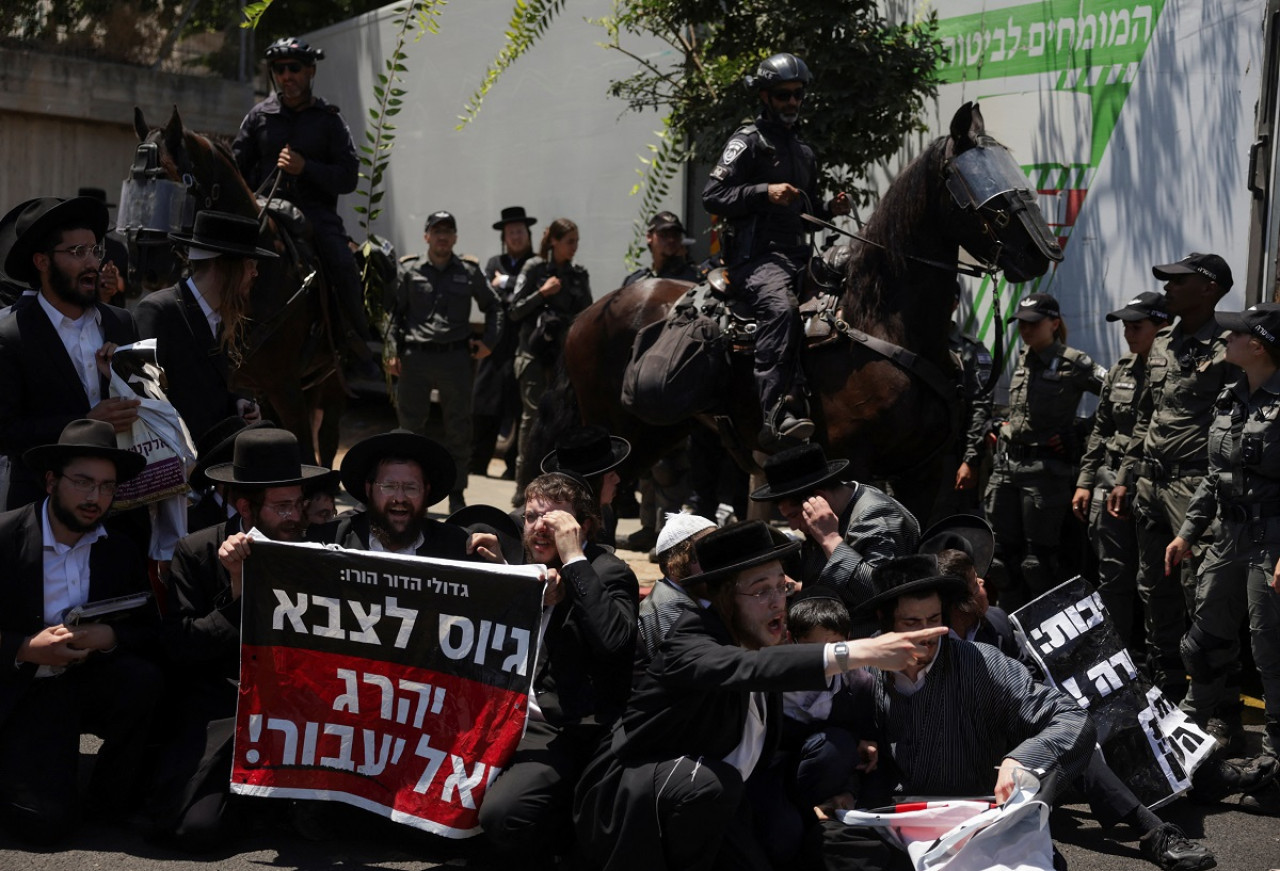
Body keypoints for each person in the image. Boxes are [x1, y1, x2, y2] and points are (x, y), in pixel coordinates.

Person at [572, 520, 947, 871]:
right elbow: (747, 668)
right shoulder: (691, 639)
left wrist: (850, 764)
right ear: (723, 597)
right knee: (712, 787)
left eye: (781, 587)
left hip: (725, 803)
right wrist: (860, 652)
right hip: (638, 804)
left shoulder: (761, 641)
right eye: (760, 590)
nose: (777, 602)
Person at [155, 425, 328, 847]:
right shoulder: (196, 552)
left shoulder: (322, 547)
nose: (295, 516)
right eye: (282, 506)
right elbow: (182, 648)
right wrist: (237, 592)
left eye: (299, 503)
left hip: (308, 709)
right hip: (225, 708)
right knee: (196, 830)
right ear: (245, 508)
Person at [0, 419, 160, 844]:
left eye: (107, 487)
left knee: (143, 681)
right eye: (84, 482)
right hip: (22, 688)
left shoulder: (119, 547)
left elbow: (148, 627)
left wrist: (110, 637)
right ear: (51, 480)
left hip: (85, 680)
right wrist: (25, 648)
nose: (96, 498)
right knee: (44, 826)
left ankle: (110, 799)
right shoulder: (5, 537)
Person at [477, 470, 638, 868]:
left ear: (582, 526)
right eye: (531, 517)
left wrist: (574, 560)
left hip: (559, 729)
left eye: (555, 520)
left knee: (503, 814)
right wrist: (506, 580)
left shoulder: (607, 571)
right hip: (500, 714)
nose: (540, 528)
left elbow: (615, 643)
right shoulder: (524, 568)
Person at [859, 554, 1095, 812]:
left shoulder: (980, 663)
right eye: (911, 623)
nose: (926, 634)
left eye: (934, 620)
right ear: (885, 621)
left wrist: (1021, 761)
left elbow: (1072, 719)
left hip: (970, 823)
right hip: (883, 821)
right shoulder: (862, 669)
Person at [702, 51, 852, 447]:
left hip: (798, 255)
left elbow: (805, 209)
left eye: (798, 94)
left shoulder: (804, 152)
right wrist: (762, 191)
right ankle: (774, 413)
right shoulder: (747, 141)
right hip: (754, 259)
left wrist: (828, 209)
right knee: (781, 309)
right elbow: (712, 195)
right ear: (765, 97)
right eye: (783, 94)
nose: (792, 102)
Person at [1110, 254, 1236, 718]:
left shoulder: (1229, 346)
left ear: (1209, 288)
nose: (1167, 289)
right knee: (1152, 589)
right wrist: (1127, 475)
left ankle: (1215, 705)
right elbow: (1147, 414)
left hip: (1195, 487)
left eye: (1178, 282)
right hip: (1151, 487)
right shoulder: (1162, 341)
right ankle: (1164, 688)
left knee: (1199, 593)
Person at [1164, 303, 1280, 804]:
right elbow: (1216, 476)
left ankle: (1276, 768)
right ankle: (1191, 749)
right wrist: (1189, 532)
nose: (1224, 340)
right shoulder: (1232, 395)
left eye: (1233, 335)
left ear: (1257, 344)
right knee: (1202, 645)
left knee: (1270, 655)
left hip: (1270, 544)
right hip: (1228, 540)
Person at [231, 36, 372, 364]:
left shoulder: (330, 120)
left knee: (342, 262)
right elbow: (237, 169)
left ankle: (357, 342)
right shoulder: (257, 116)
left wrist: (305, 168)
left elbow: (348, 177)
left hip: (315, 215)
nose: (286, 76)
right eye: (279, 69)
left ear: (310, 71)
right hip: (264, 210)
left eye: (294, 68)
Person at [0, 195, 141, 509]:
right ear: (42, 261)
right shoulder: (11, 336)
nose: (93, 263)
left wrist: (123, 377)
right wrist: (85, 421)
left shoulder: (120, 323)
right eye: (78, 252)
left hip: (119, 514)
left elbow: (149, 408)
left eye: (95, 250)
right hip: (41, 511)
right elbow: (6, 432)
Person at [984, 292, 1103, 608]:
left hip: (1045, 474)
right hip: (1007, 469)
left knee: (1038, 564)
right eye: (1022, 324)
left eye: (1033, 324)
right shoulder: (1024, 357)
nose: (1026, 330)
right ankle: (1008, 629)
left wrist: (1080, 431)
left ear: (1054, 323)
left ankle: (1046, 630)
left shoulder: (1073, 362)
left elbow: (1116, 395)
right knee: (999, 560)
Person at [385, 211, 503, 513]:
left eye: (448, 231)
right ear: (426, 236)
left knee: (459, 429)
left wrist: (489, 342)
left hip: (456, 359)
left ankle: (457, 493)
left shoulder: (468, 270)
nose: (442, 236)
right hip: (416, 357)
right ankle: (410, 490)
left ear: (455, 238)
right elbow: (392, 313)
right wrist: (390, 350)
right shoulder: (409, 270)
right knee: (410, 430)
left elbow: (494, 306)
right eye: (436, 231)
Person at [1071, 292, 1170, 645]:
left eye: (1137, 326)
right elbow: (1101, 429)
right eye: (1125, 326)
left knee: (1154, 582)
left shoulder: (1177, 375)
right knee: (1112, 576)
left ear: (1164, 326)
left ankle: (1158, 661)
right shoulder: (1121, 370)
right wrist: (1085, 480)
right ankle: (1118, 656)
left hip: (1151, 487)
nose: (1129, 333)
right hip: (1108, 482)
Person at [135, 210, 272, 445]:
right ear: (224, 266)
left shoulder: (218, 317)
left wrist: (235, 404)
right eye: (250, 264)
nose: (255, 273)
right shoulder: (158, 311)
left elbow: (203, 391)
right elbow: (144, 399)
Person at [750, 442, 920, 622]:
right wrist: (799, 588)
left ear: (819, 498)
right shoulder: (826, 515)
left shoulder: (875, 516)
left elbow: (879, 594)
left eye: (793, 515)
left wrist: (830, 540)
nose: (792, 526)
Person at [311, 428, 501, 562]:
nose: (400, 498)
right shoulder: (331, 542)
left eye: (411, 488)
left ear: (426, 492)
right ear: (369, 490)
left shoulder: (458, 549)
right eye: (389, 486)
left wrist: (501, 568)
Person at [508, 218, 592, 490]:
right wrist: (542, 294)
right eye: (570, 241)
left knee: (563, 422)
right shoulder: (534, 268)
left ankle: (556, 484)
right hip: (532, 355)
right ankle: (524, 485)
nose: (574, 247)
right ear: (554, 241)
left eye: (577, 241)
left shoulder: (578, 274)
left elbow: (586, 317)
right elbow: (514, 309)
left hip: (562, 359)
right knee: (532, 419)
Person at [473, 206, 537, 480]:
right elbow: (492, 297)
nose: (515, 236)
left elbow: (529, 296)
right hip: (495, 344)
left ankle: (514, 467)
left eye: (520, 231)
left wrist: (508, 286)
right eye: (511, 232)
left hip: (525, 344)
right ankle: (477, 464)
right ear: (505, 236)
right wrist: (515, 294)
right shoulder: (493, 263)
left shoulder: (536, 264)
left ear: (528, 234)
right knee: (484, 405)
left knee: (520, 407)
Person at [934, 280, 994, 522]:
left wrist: (970, 460)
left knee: (947, 526)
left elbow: (980, 408)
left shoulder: (971, 350)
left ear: (954, 304)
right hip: (910, 460)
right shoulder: (910, 343)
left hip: (950, 458)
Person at [635, 511, 716, 672]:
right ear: (676, 566)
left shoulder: (691, 598)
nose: (717, 562)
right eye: (705, 555)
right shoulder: (672, 610)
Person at [540, 425, 630, 547]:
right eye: (611, 475)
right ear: (593, 484)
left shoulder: (605, 513)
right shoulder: (548, 525)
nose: (617, 480)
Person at [621, 211, 700, 287]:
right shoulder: (636, 281)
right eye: (664, 234)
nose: (671, 239)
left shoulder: (694, 278)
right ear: (649, 237)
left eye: (675, 234)